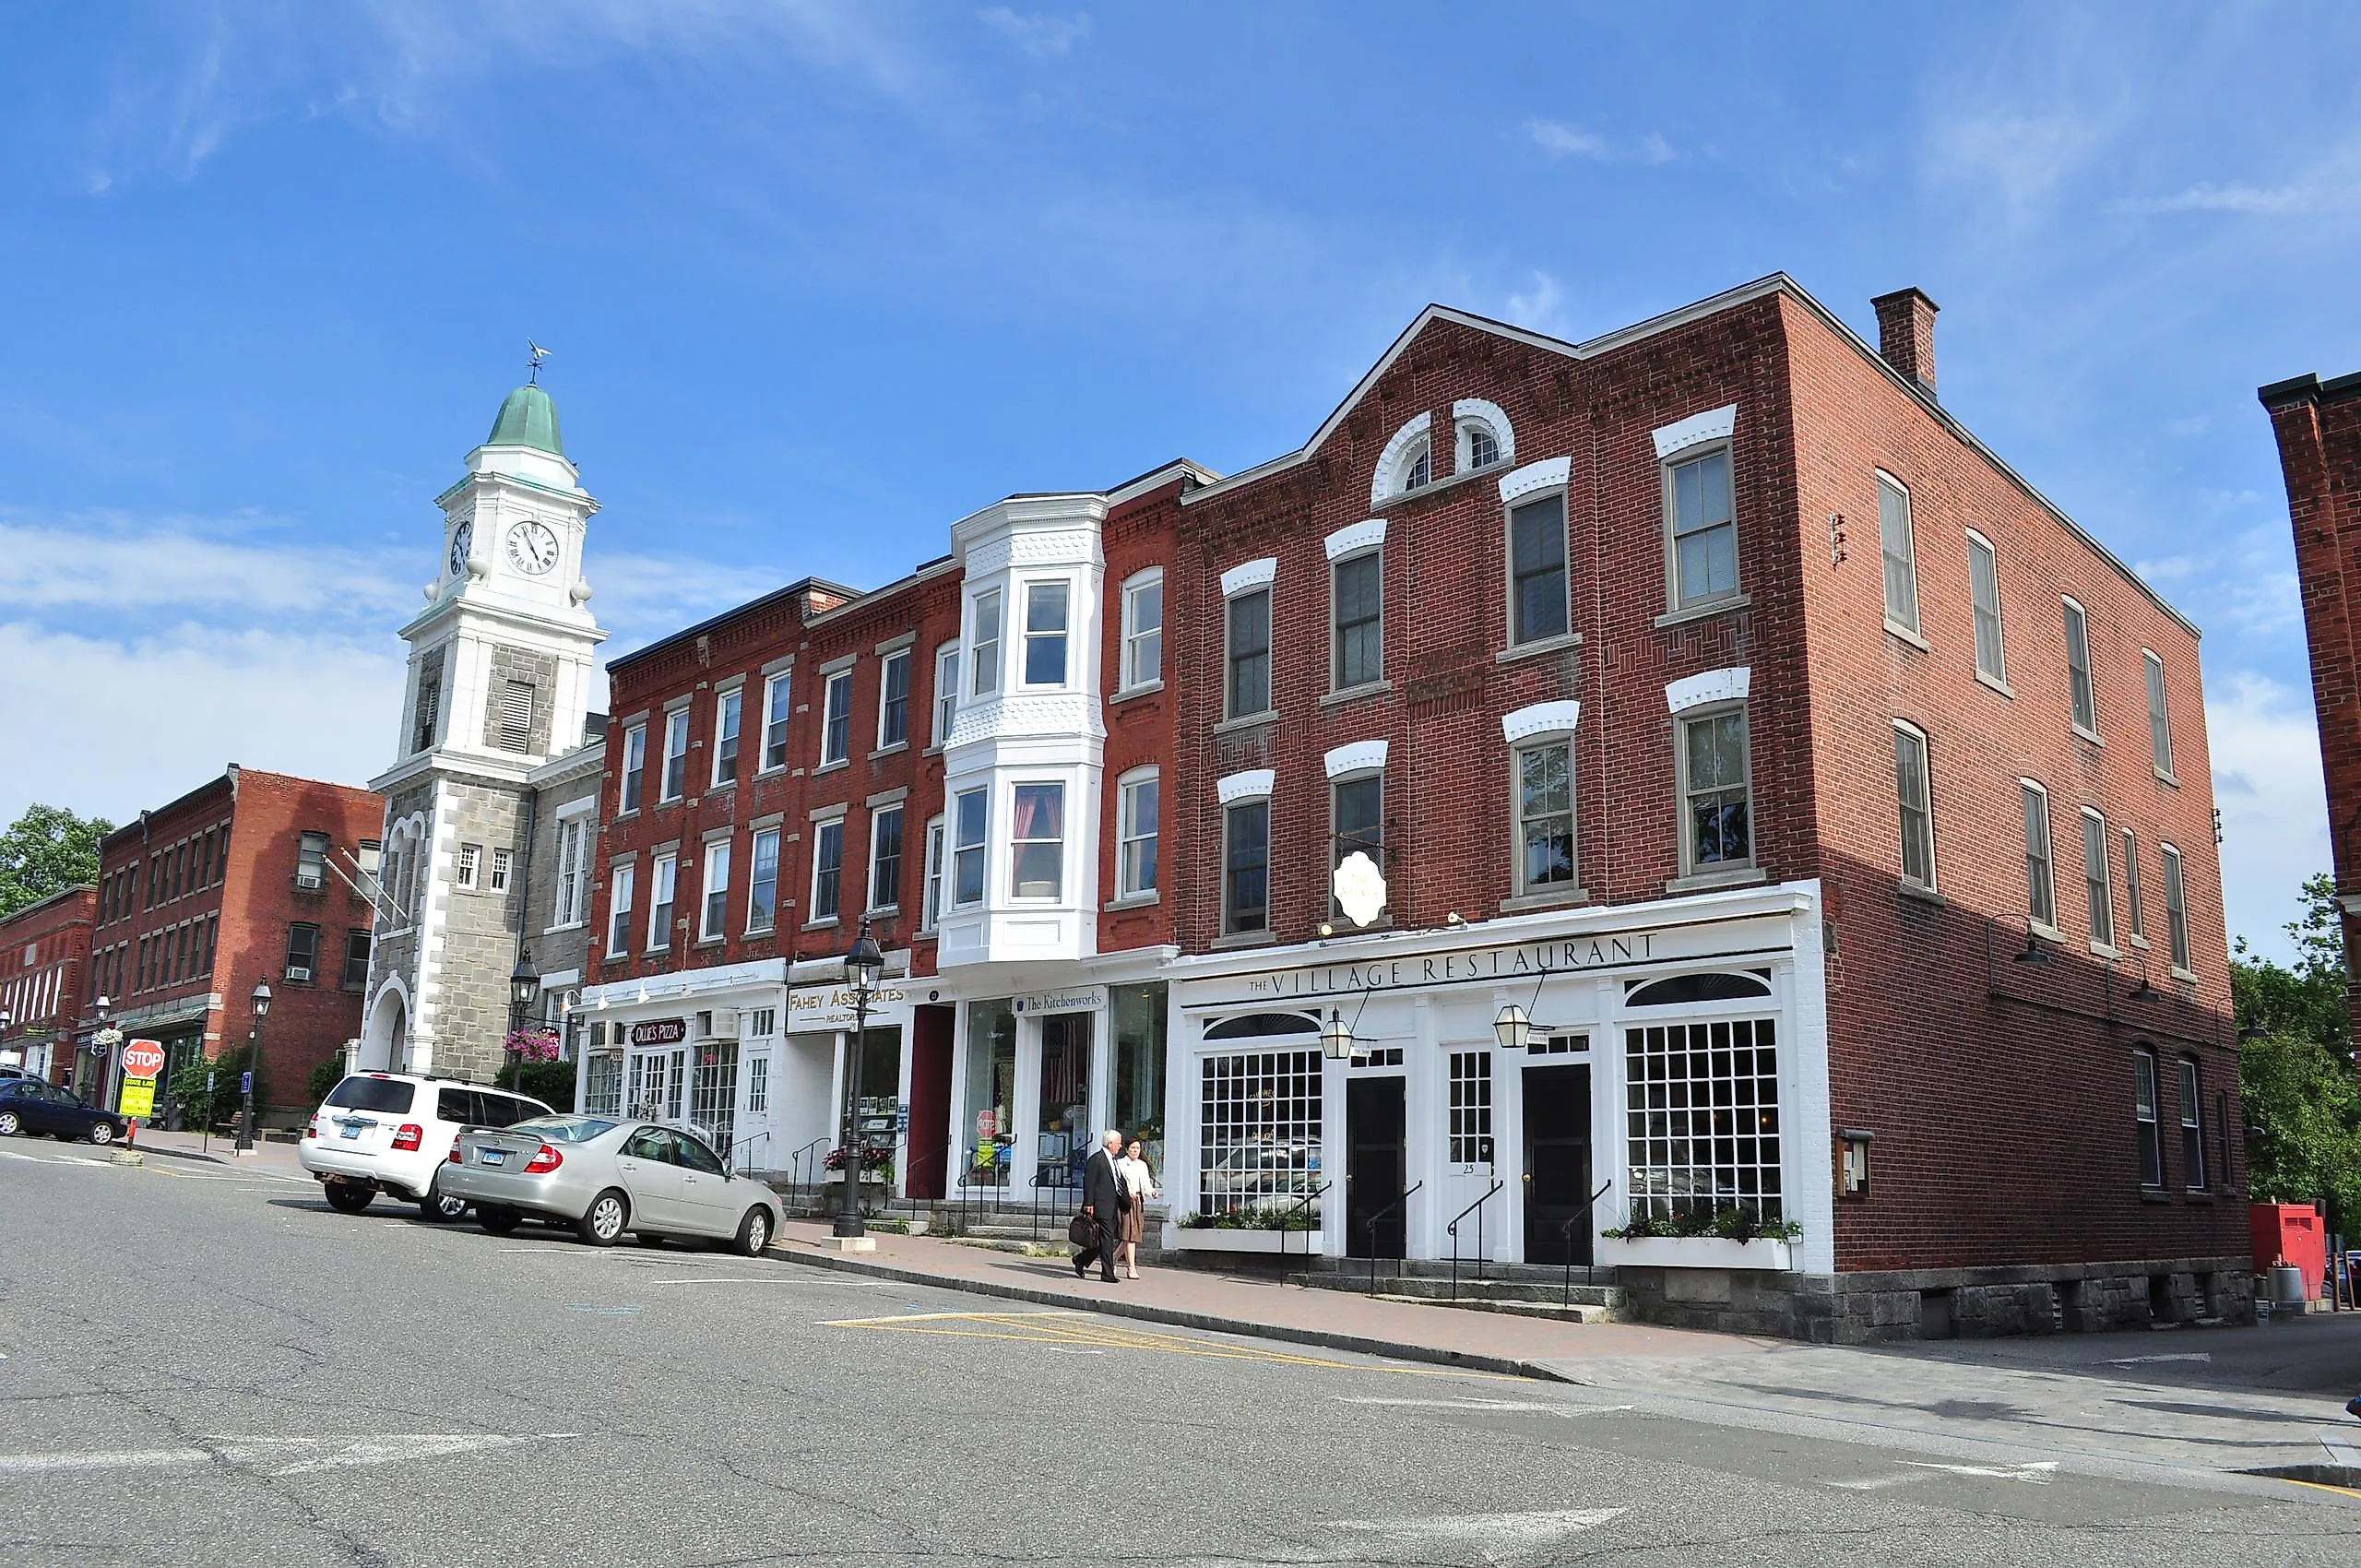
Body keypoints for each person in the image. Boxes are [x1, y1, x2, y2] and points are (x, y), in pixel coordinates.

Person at [1073, 1128, 1127, 1283]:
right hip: (1100, 1206)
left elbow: (1118, 1182)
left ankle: (1081, 1260)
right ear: (1110, 1143)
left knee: (1104, 1240)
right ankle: (1107, 1274)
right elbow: (1089, 1182)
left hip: (1112, 1206)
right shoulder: (1097, 1159)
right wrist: (1088, 1203)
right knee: (1107, 1240)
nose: (1120, 1146)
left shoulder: (1113, 1160)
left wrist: (1125, 1201)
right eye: (1118, 1143)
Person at [1116, 1136, 1160, 1280]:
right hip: (1126, 1202)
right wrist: (1126, 1191)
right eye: (1133, 1148)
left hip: (1139, 1201)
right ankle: (1131, 1268)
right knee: (1130, 1236)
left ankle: (1112, 1258)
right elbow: (1118, 1184)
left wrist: (1152, 1192)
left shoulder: (1142, 1165)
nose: (1135, 1151)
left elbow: (1146, 1184)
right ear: (1127, 1149)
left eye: (1138, 1148)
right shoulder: (1121, 1163)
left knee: (1132, 1235)